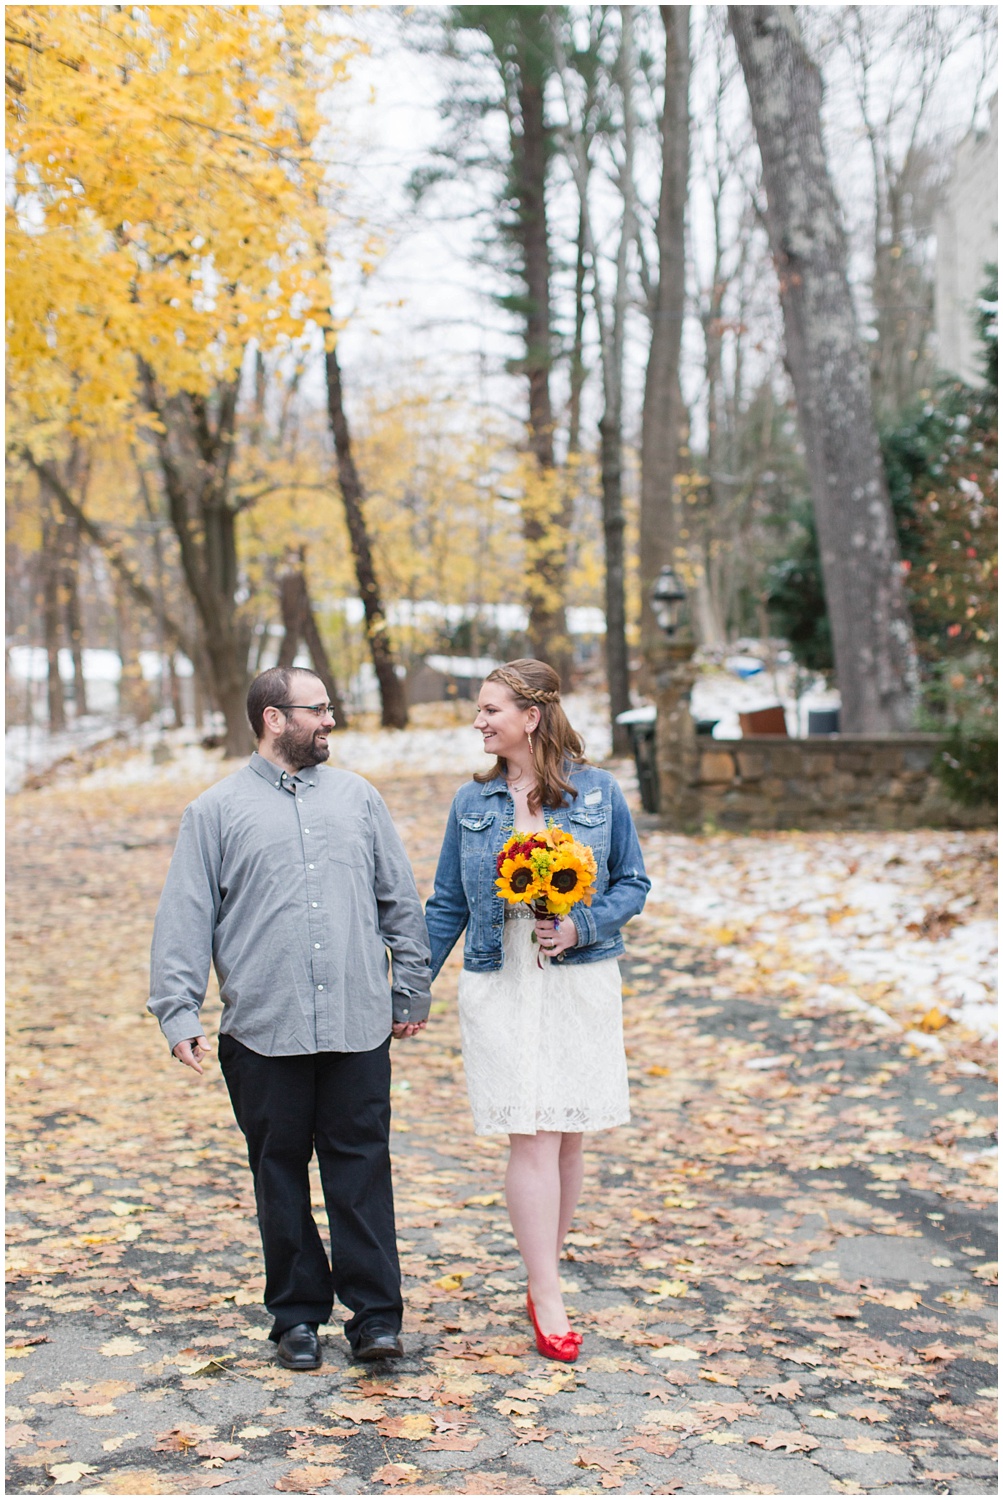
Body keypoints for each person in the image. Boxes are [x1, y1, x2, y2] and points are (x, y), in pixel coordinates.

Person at [148, 666, 431, 1370]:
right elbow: (185, 917)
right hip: (262, 1025)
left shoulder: (360, 799)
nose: (329, 721)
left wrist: (410, 990)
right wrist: (178, 1010)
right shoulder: (212, 812)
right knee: (277, 1170)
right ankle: (296, 1317)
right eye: (318, 710)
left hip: (356, 1019)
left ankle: (374, 1317)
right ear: (274, 718)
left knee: (360, 1167)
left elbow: (398, 899)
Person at [425, 659, 650, 1362]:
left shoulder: (598, 792)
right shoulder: (472, 805)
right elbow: (446, 907)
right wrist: (408, 989)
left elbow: (632, 882)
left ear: (532, 716)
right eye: (478, 709)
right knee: (532, 1132)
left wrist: (582, 925)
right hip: (501, 976)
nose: (479, 720)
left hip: (578, 976)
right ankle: (547, 1292)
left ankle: (540, 1273)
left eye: (491, 709)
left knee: (568, 1129)